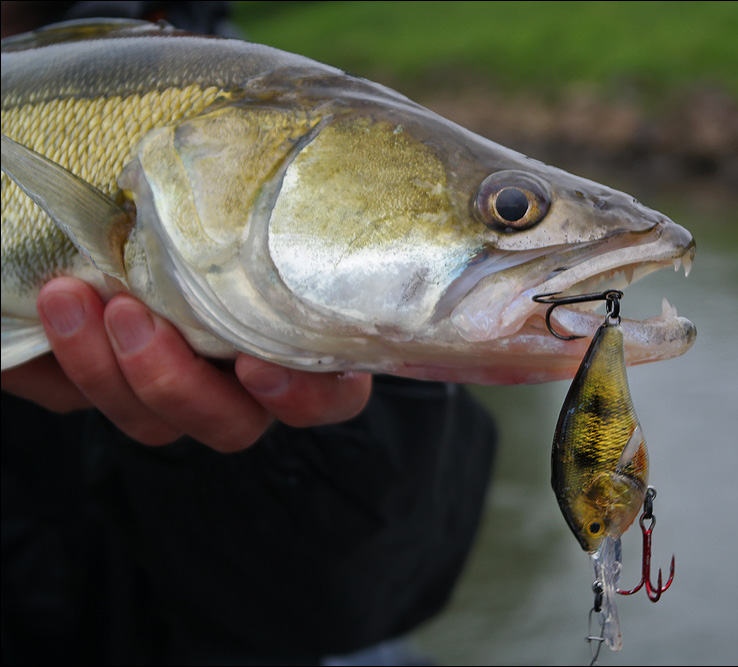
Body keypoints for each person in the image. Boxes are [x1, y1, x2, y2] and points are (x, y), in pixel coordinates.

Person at [1, 3, 498, 664]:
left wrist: (275, 448)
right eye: (510, 209)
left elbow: (370, 586)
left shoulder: (249, 85)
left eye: (507, 212)